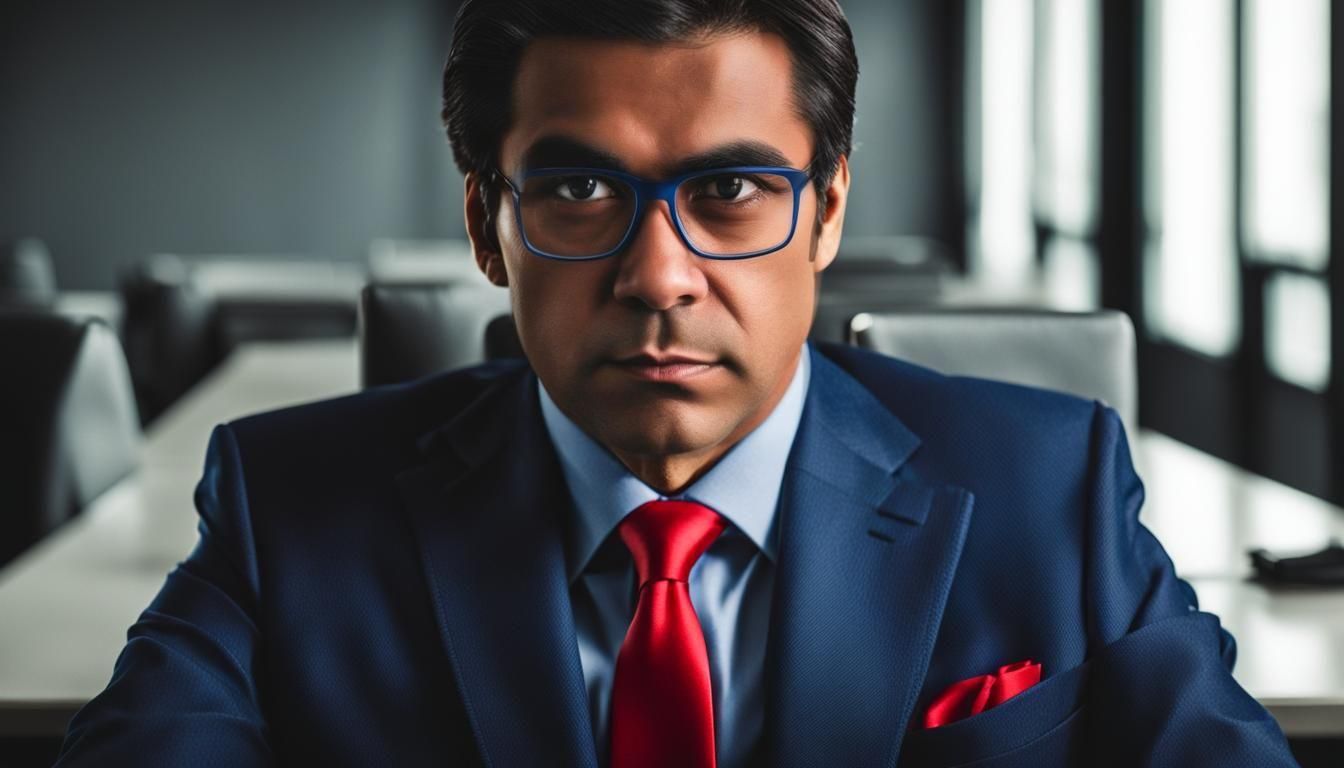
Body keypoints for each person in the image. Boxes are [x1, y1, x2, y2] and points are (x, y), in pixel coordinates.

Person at [57, 1, 1299, 766]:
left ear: (826, 215)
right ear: (489, 226)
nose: (661, 277)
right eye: (581, 189)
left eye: (732, 191)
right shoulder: (287, 507)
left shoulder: (1052, 491)